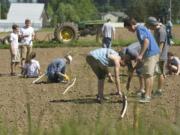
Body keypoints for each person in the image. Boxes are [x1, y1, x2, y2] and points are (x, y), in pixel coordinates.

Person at [123, 18, 160, 103]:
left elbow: (146, 42)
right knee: (150, 75)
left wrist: (140, 55)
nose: (128, 30)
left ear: (131, 25)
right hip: (154, 52)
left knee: (147, 75)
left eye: (128, 28)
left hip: (150, 54)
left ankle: (147, 97)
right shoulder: (142, 27)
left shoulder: (139, 29)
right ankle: (148, 95)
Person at [146, 16, 170, 95]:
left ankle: (159, 90)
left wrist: (157, 56)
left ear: (152, 25)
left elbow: (161, 45)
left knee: (160, 73)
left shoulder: (161, 31)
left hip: (161, 56)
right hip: (157, 54)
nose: (149, 28)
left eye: (149, 26)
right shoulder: (157, 29)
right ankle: (151, 89)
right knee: (155, 73)